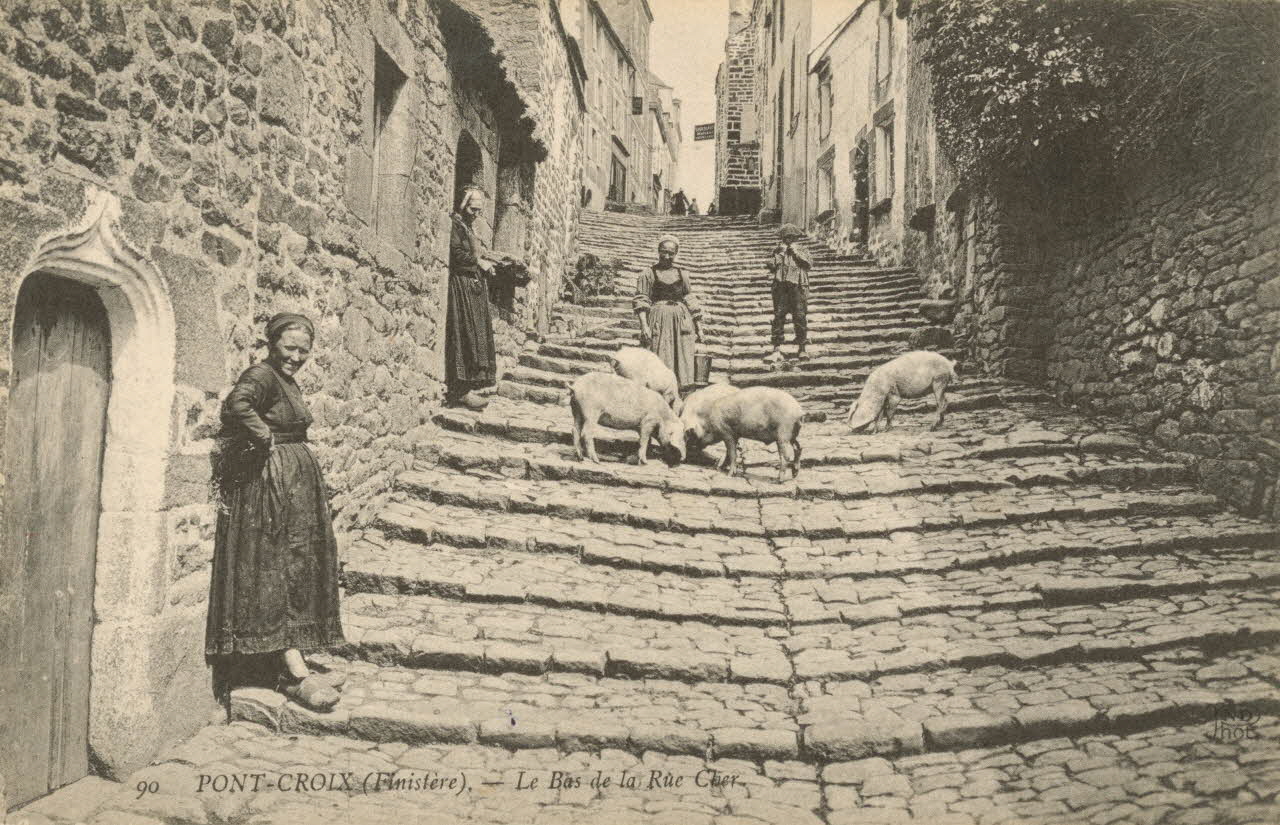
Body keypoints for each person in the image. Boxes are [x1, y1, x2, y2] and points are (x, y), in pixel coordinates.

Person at [207, 313, 345, 712]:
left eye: (304, 350)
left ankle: (293, 652)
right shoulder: (263, 374)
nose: (297, 357)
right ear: (272, 344)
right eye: (290, 348)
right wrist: (263, 435)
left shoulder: (284, 379)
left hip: (291, 483)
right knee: (276, 565)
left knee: (298, 563)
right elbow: (238, 404)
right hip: (271, 485)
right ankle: (289, 671)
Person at [447, 186, 505, 410]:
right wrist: (478, 262)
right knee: (465, 337)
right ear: (463, 205)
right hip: (461, 285)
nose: (476, 214)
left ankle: (468, 389)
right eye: (472, 209)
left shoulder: (469, 228)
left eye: (479, 211)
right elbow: (456, 254)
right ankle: (460, 391)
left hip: (473, 286)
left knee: (475, 337)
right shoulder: (456, 225)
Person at [634, 235, 703, 393]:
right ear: (658, 251)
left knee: (683, 356)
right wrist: (644, 326)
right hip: (658, 320)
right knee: (659, 354)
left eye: (671, 253)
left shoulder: (682, 274)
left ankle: (681, 393)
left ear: (676, 253)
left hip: (681, 323)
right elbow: (642, 300)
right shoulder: (648, 274)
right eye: (663, 252)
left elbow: (690, 299)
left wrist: (699, 327)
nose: (667, 256)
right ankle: (659, 392)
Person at [765, 224, 812, 363]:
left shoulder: (802, 249)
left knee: (800, 317)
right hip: (781, 288)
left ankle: (802, 348)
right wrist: (778, 255)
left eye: (792, 238)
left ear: (796, 238)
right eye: (786, 238)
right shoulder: (778, 250)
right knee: (778, 317)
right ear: (783, 238)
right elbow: (771, 266)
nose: (789, 240)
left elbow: (808, 264)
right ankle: (776, 347)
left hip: (798, 287)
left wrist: (796, 253)